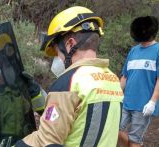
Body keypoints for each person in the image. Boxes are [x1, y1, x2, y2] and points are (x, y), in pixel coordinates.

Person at [15, 6, 124, 146]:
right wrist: (37, 94)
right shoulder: (112, 79)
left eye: (56, 52)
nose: (56, 59)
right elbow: (72, 118)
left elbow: (47, 141)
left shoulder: (70, 82)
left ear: (70, 44)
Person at [118, 16, 159, 147]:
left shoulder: (158, 50)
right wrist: (115, 95)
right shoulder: (133, 51)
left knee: (135, 140)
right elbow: (125, 76)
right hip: (126, 102)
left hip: (144, 105)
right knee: (113, 129)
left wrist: (152, 102)